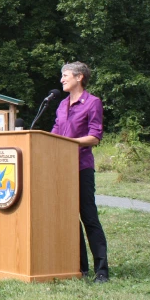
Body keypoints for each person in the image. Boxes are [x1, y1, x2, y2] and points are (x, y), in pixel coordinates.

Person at [51, 61, 109, 283]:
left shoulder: (92, 103)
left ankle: (102, 271)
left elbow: (94, 137)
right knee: (69, 219)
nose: (62, 79)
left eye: (65, 75)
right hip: (61, 170)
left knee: (88, 217)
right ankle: (80, 269)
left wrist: (68, 143)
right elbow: (54, 133)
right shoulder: (61, 105)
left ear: (79, 77)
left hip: (81, 168)